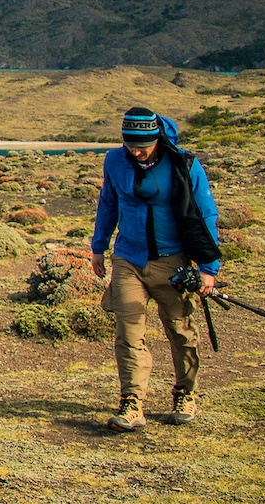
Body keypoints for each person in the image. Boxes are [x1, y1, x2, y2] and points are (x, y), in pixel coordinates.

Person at [90, 106, 222, 431]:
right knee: (128, 334)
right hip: (128, 260)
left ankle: (185, 393)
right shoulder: (115, 161)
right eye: (129, 144)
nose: (135, 151)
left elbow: (206, 214)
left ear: (157, 139)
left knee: (180, 331)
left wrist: (208, 267)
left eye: (142, 146)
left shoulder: (183, 164)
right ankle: (132, 404)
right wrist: (98, 247)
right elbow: (108, 203)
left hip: (172, 262)